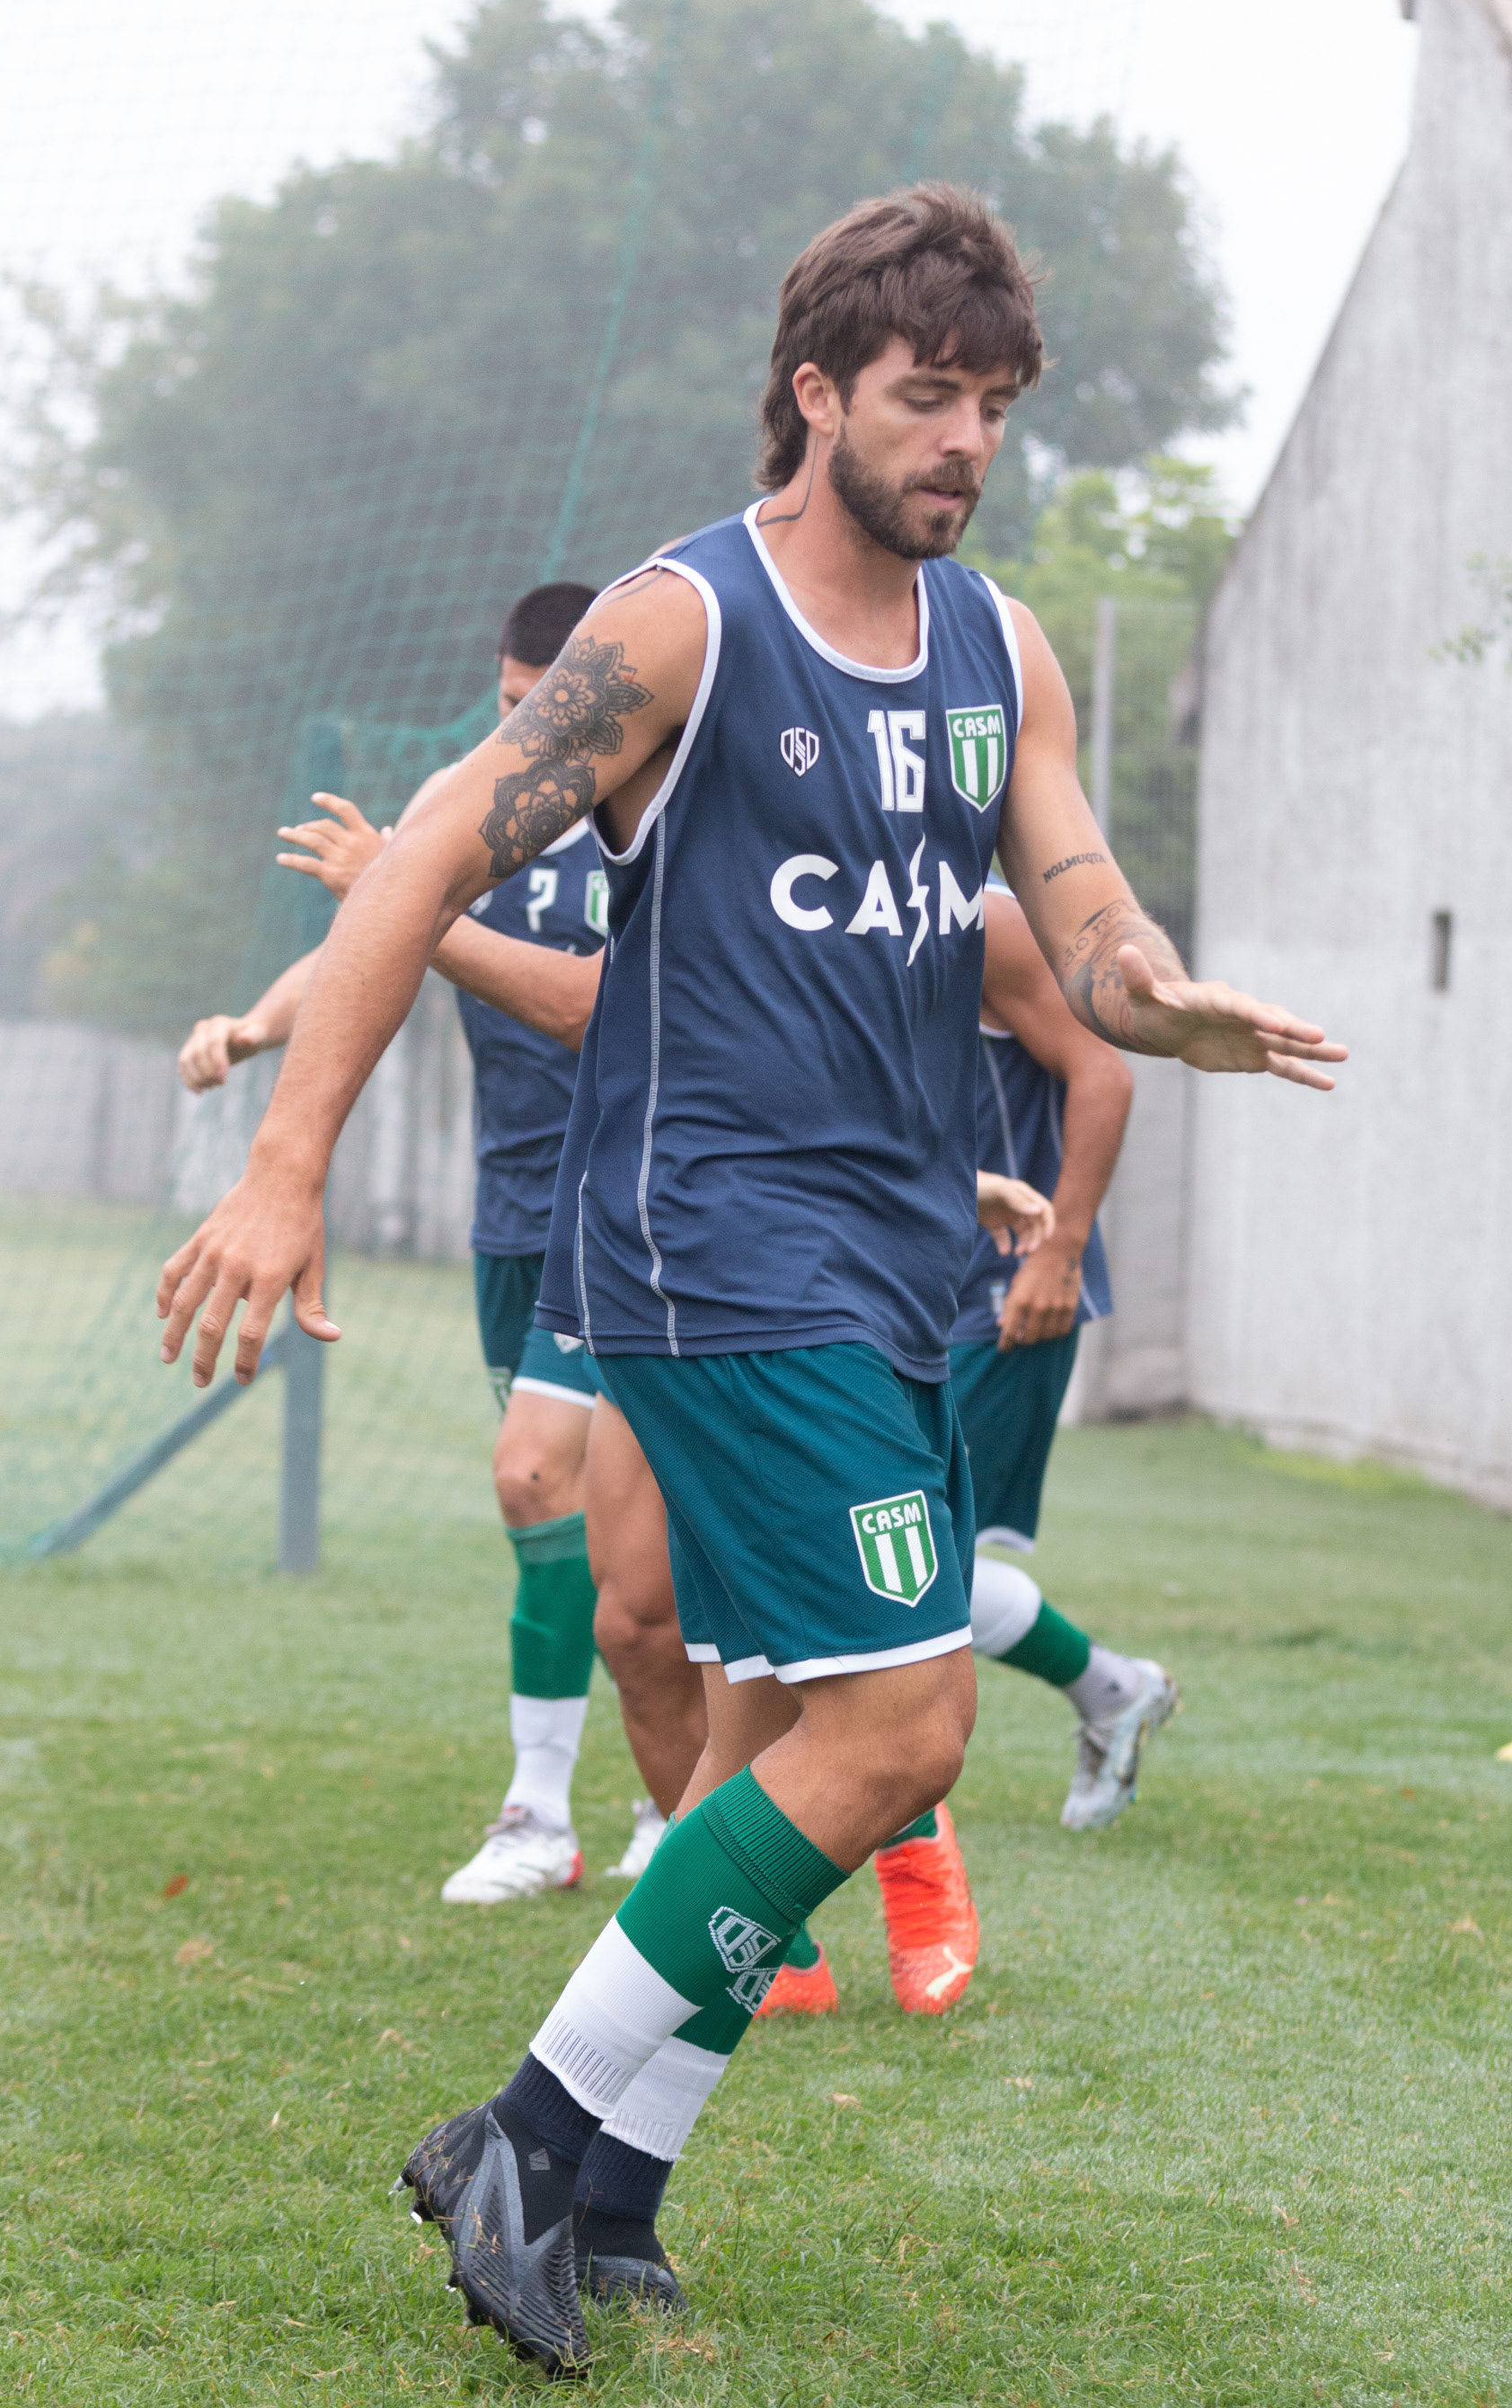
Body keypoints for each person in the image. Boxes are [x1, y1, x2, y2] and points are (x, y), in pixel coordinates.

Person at [155, 181, 1345, 2370]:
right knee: (903, 1718)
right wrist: (283, 1160)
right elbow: (424, 850)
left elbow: (1073, 899)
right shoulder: (684, 628)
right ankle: (516, 2131)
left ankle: (606, 2189)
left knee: (787, 1726)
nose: (964, 436)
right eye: (924, 394)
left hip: (894, 1253)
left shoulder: (998, 647)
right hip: (716, 1251)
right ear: (817, 393)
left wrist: (1149, 996)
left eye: (990, 401)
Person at [175, 583, 690, 1899]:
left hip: (640, 1209)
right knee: (565, 1515)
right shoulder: (475, 799)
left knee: (559, 1491)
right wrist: (249, 1026)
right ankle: (598, 1812)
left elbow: (582, 1007)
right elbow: (372, 933)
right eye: (513, 710)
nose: (530, 738)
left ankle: (577, 1809)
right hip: (515, 1214)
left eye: (549, 711)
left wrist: (422, 910)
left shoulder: (659, 812)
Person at [759, 881, 1178, 2021]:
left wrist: (1060, 1251)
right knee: (896, 1580)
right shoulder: (802, 889)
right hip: (884, 1291)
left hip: (995, 1298)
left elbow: (1107, 1070)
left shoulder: (977, 915)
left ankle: (1089, 1717)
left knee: (906, 1591)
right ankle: (1112, 1693)